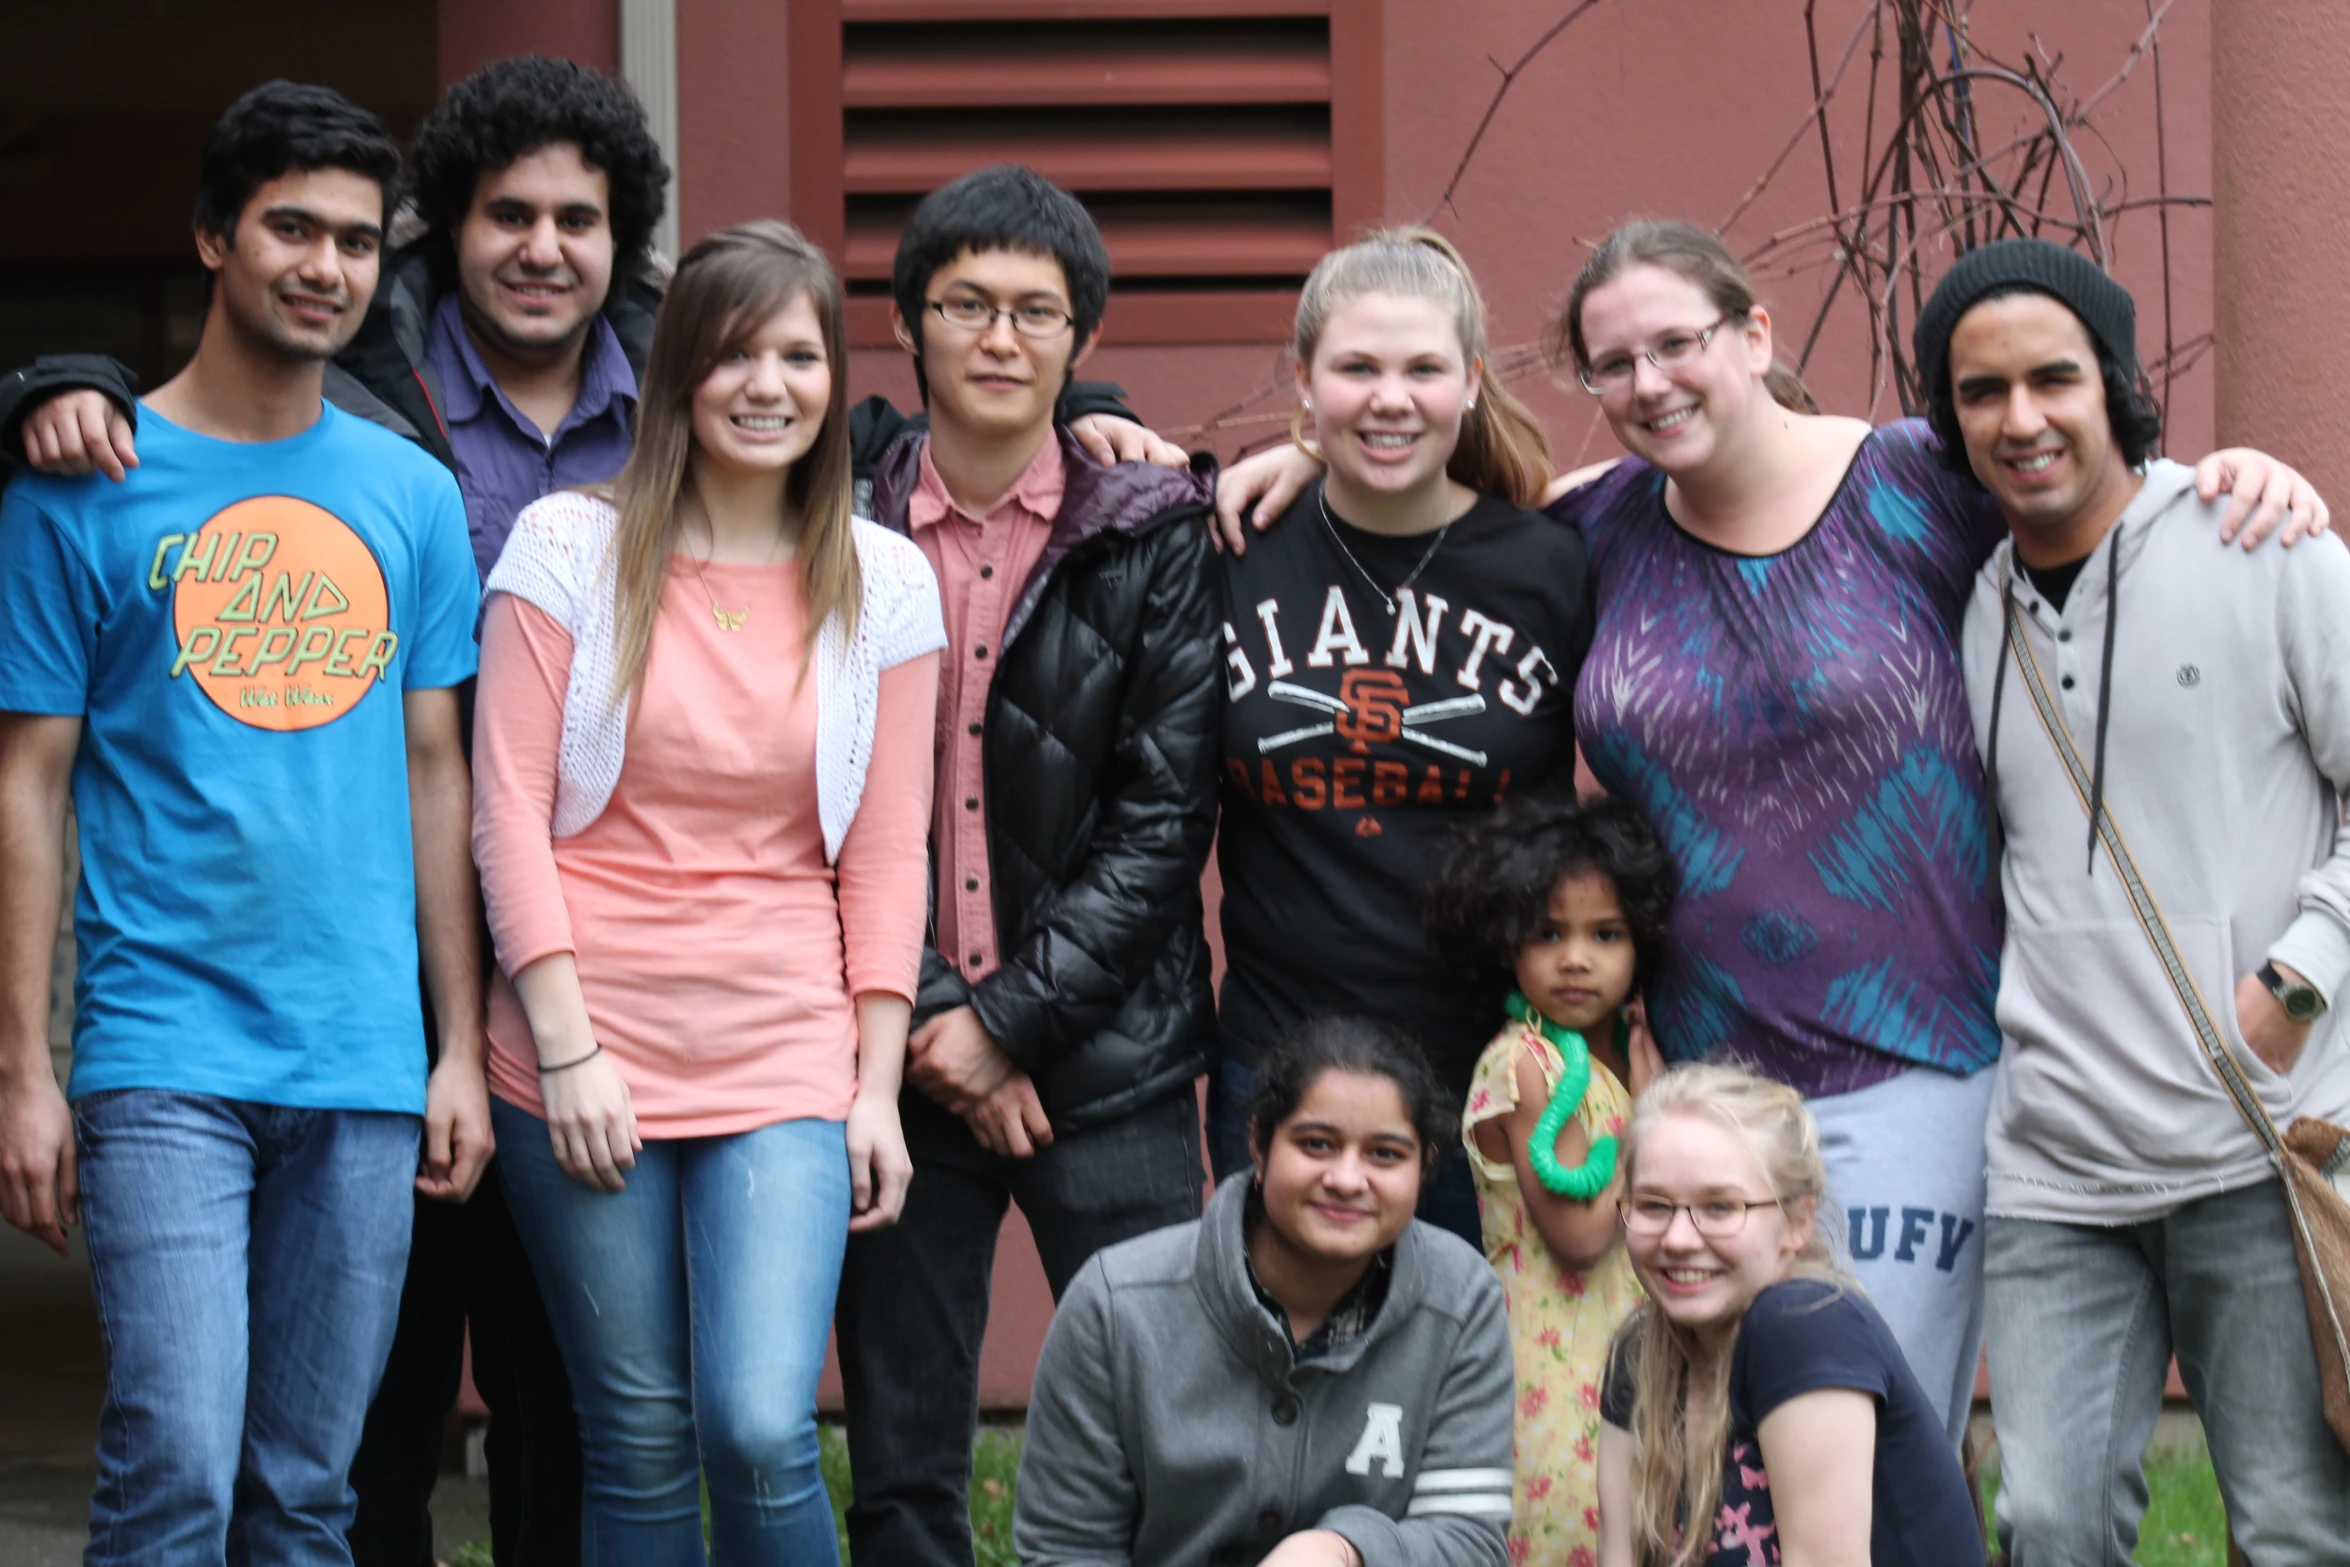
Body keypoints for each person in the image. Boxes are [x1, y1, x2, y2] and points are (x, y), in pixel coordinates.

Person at [0, 61, 1176, 1566]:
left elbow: (874, 811)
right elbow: (480, 794)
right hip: (486, 1017)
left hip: (583, 1031)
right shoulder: (471, 484)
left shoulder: (821, 544)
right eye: (509, 213)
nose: (544, 243)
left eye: (582, 217)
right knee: (339, 1443)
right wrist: (51, 380)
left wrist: (1095, 407)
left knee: (691, 1425)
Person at [1213, 218, 2327, 1448]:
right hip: (1703, 1076)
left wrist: (2227, 476)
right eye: (1613, 363)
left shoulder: (1915, 485)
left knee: (1861, 1444)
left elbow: (2075, 500)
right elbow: (1432, 510)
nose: (1650, 381)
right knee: (1722, 1461)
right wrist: (1307, 464)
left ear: (1752, 333)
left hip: (1917, 1061)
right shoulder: (1602, 528)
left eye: (1678, 342)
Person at [0, 82, 488, 1564]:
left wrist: (458, 1043)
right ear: (214, 237)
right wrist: (22, 1065)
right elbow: (26, 782)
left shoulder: (411, 493)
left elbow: (436, 769)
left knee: (305, 1492)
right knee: (176, 1470)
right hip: (163, 1052)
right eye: (291, 226)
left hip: (361, 1057)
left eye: (354, 239)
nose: (326, 266)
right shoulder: (81, 488)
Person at [468, 218, 941, 1565]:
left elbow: (886, 845)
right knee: (635, 1431)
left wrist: (872, 1083)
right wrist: (568, 1051)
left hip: (782, 1039)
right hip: (582, 1038)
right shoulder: (566, 549)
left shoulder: (881, 579)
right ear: (677, 372)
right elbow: (504, 809)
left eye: (797, 353)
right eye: (733, 352)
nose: (767, 383)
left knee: (755, 1420)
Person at [1918, 238, 2350, 1559]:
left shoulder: (2262, 546)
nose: (2020, 418)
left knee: (2288, 1520)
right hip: (2053, 1155)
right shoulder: (1962, 606)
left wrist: (2296, 978)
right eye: (1979, 391)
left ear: (2112, 382)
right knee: (2043, 1518)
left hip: (2254, 1137)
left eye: (2052, 378)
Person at [833, 163, 1222, 1567]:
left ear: (1079, 343)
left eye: (1034, 313)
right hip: (892, 1048)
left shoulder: (1152, 527)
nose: (999, 338)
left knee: (1179, 1447)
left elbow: (1164, 817)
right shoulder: (834, 520)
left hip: (1110, 1059)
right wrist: (942, 1020)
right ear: (910, 326)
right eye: (966, 305)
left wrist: (1008, 1026)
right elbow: (808, 799)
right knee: (902, 1468)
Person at [1213, 227, 1587, 1250]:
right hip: (1276, 1053)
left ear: (1469, 381)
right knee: (1285, 1373)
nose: (1390, 398)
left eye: (1422, 368)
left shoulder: (1550, 565)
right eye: (1356, 369)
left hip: (1489, 1063)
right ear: (1303, 380)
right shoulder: (1231, 548)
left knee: (1466, 1385)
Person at [1016, 1015, 1516, 1567]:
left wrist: (1343, 1552)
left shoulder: (1463, 1301)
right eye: (1317, 1144)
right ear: (1258, 1144)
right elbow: (1066, 1551)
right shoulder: (1115, 1306)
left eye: (1385, 1154)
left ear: (1426, 1167)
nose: (1348, 1179)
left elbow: (1469, 1544)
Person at [1596, 1065, 1981, 1567]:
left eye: (1719, 1207)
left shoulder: (1804, 1326)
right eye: (1653, 1206)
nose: (1678, 1239)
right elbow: (1617, 1556)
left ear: (1797, 1221)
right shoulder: (1640, 1350)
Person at [1425, 792, 1675, 1563]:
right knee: (1580, 1535)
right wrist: (1647, 1121)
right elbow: (1580, 1232)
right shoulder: (1528, 1063)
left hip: (1629, 1358)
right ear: (1508, 941)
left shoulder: (1608, 1063)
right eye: (1548, 932)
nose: (1576, 957)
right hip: (1562, 1378)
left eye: (1605, 933)